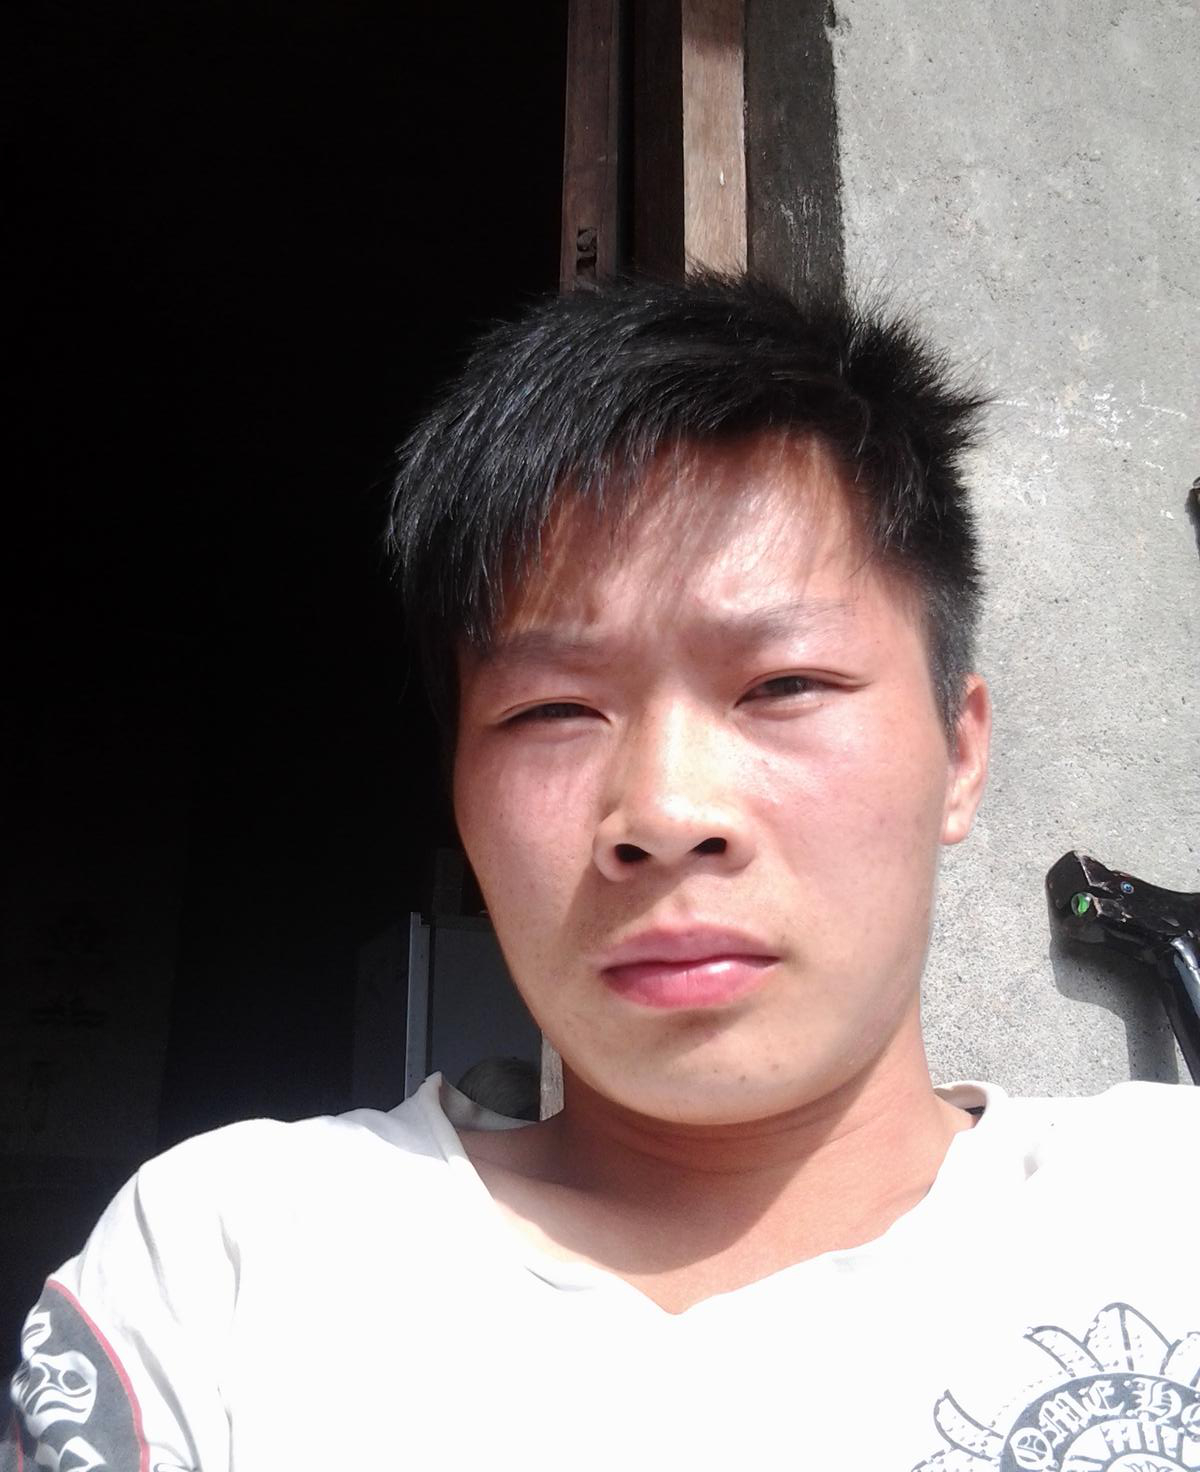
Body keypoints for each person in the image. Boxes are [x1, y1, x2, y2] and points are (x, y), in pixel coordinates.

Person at [5, 275, 1196, 1472]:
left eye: (783, 684)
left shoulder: (1164, 1210)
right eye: (553, 709)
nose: (665, 814)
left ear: (960, 753)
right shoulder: (229, 1267)